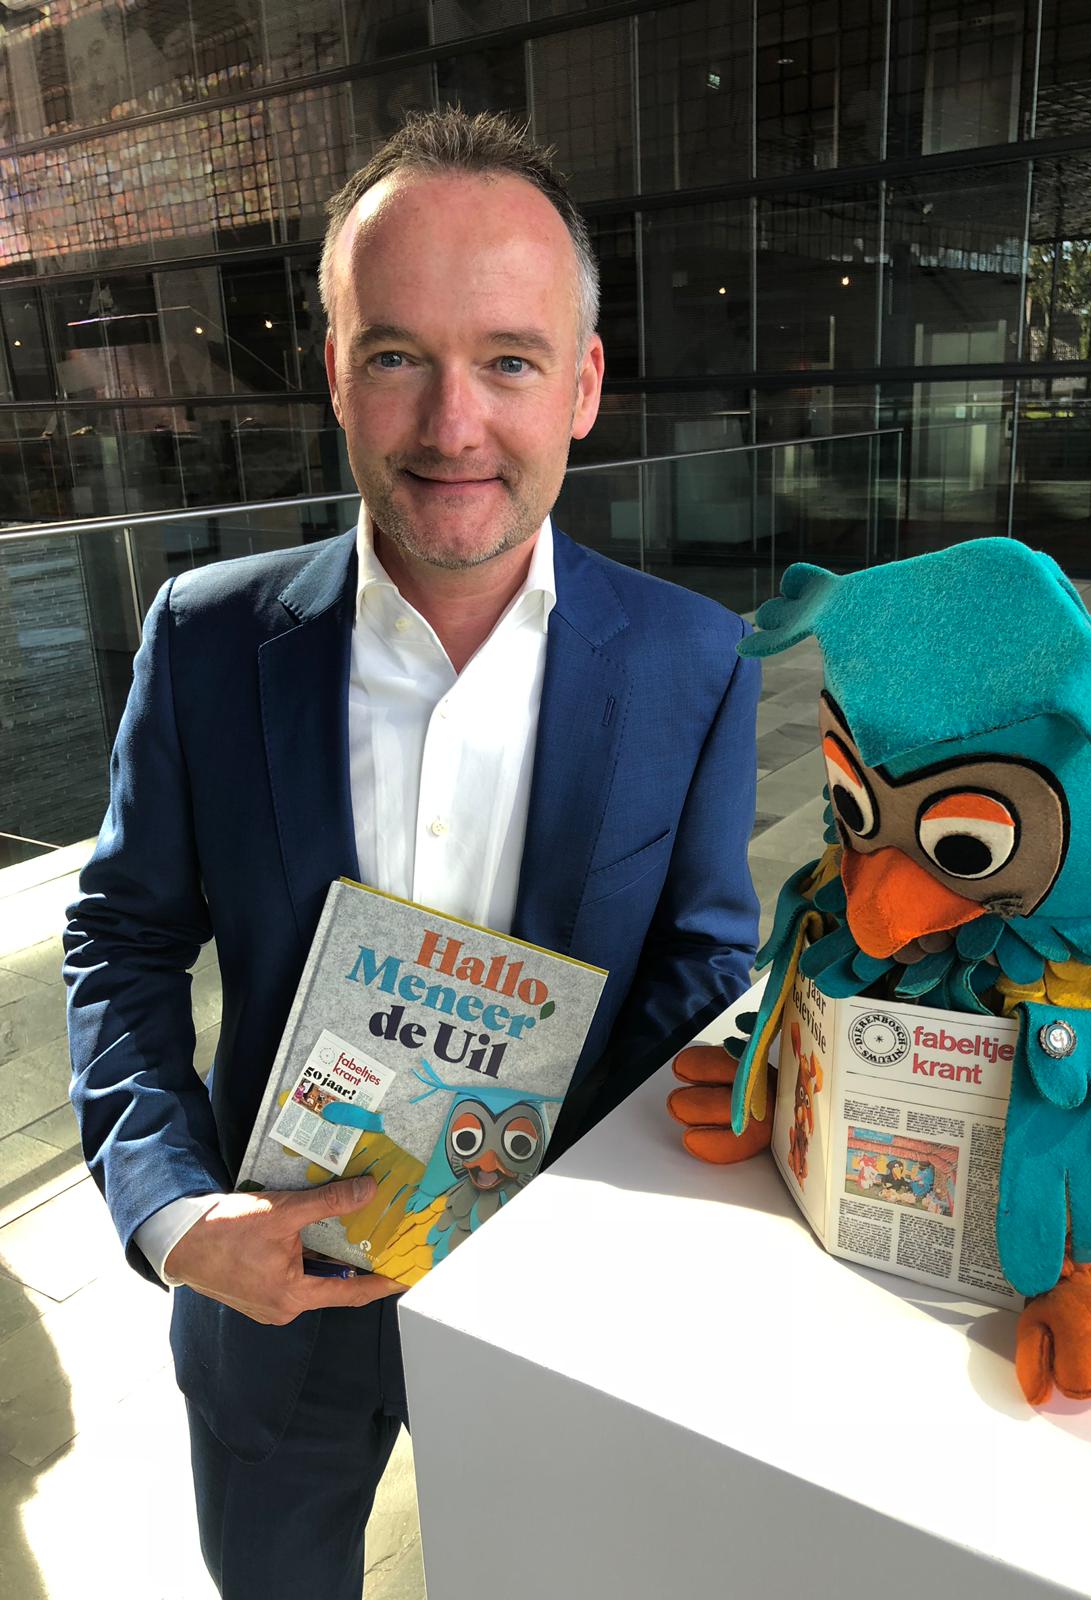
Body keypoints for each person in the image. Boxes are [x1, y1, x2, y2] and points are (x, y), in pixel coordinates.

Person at [63, 109, 759, 1600]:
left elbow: (704, 965)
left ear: (581, 386)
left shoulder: (696, 662)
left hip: (571, 1311)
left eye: (508, 359)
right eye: (398, 356)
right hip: (273, 1312)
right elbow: (119, 941)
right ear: (335, 370)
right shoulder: (203, 642)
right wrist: (180, 1219)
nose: (453, 425)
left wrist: (558, 1200)